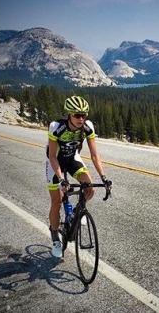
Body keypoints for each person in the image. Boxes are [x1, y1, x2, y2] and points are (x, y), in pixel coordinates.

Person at [45, 95, 111, 258]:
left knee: (89, 189)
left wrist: (103, 177)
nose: (81, 119)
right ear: (69, 114)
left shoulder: (88, 127)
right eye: (77, 115)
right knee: (57, 201)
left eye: (84, 115)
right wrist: (61, 179)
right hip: (56, 163)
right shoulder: (56, 127)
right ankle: (55, 238)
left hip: (73, 158)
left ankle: (75, 213)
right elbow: (52, 156)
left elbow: (95, 155)